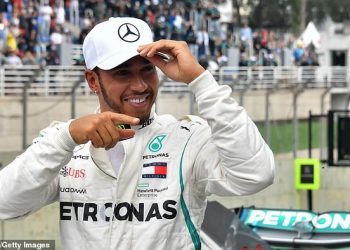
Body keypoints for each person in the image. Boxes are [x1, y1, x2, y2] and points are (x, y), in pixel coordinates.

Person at [0, 17, 275, 249]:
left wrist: (200, 81)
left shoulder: (187, 137)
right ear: (93, 80)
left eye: (147, 70)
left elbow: (256, 175)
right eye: (122, 73)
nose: (140, 85)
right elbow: (5, 204)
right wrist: (66, 137)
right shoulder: (67, 144)